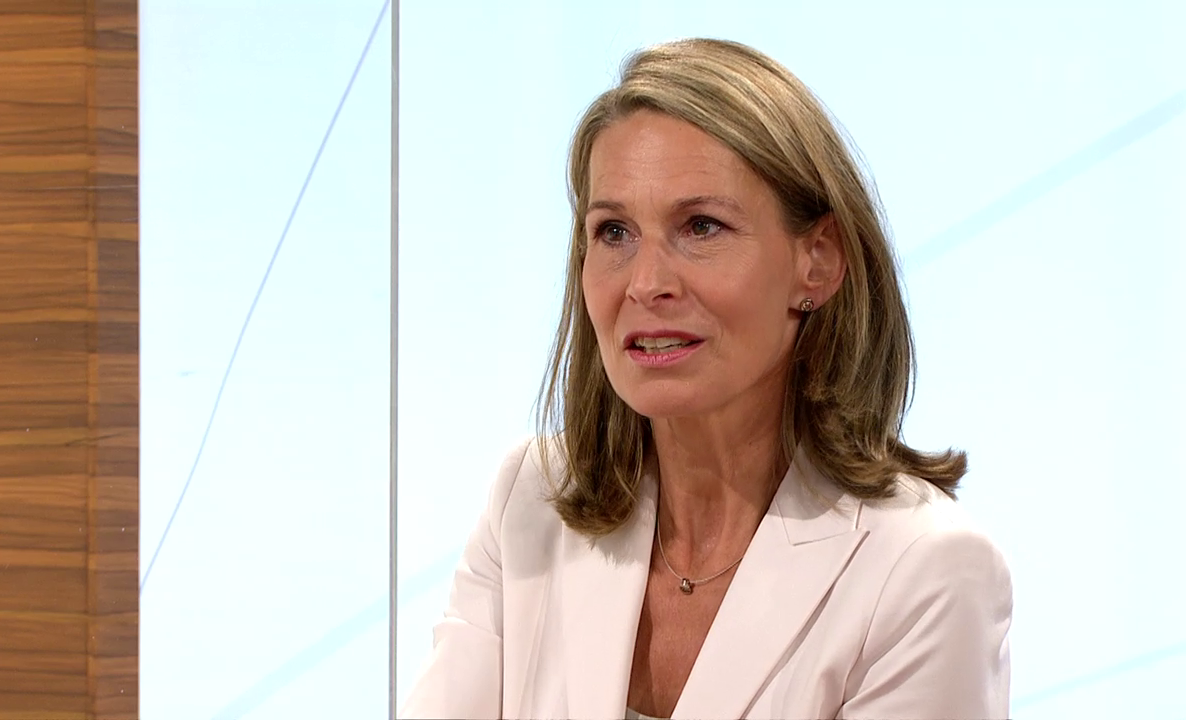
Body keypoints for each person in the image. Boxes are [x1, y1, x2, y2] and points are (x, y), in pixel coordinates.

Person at [401, 38, 1011, 720]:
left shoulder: (926, 570)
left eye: (701, 226)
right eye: (614, 232)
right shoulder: (531, 498)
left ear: (818, 261)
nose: (646, 283)